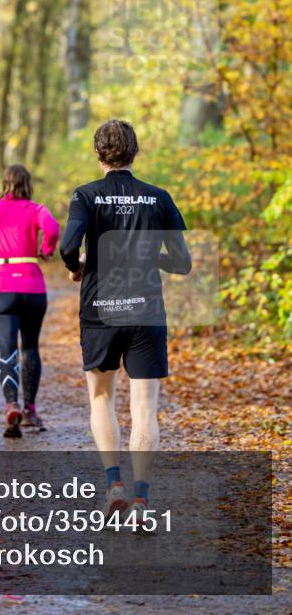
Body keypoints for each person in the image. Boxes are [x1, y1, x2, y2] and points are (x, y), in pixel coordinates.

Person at [60, 119, 191, 523]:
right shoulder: (159, 197)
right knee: (145, 406)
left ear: (98, 155)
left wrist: (77, 265)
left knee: (101, 398)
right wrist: (151, 257)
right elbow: (182, 262)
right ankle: (141, 500)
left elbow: (67, 246)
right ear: (135, 152)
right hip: (146, 312)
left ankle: (113, 483)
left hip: (101, 310)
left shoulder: (85, 196)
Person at [0, 164, 59, 438]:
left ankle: (12, 405)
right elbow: (52, 228)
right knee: (30, 347)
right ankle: (31, 409)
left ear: (4, 184)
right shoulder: (35, 209)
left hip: (1, 286)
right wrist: (46, 249)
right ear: (27, 184)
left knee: (7, 349)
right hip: (32, 285)